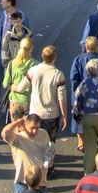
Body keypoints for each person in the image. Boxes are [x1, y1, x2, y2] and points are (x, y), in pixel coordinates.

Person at [0, 0, 31, 116]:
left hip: (15, 53)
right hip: (1, 51)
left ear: (10, 3)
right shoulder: (2, 14)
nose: (1, 3)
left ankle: (12, 107)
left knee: (13, 80)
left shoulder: (21, 16)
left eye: (3, 1)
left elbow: (27, 34)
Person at [26, 45, 67, 177]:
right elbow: (62, 97)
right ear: (54, 58)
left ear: (42, 56)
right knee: (50, 142)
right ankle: (49, 168)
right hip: (51, 114)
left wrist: (13, 88)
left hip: (34, 113)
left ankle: (35, 168)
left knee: (35, 141)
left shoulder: (33, 70)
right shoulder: (58, 74)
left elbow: (22, 86)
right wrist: (64, 115)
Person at [2, 115, 49, 193]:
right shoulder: (17, 138)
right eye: (32, 128)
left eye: (37, 128)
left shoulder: (44, 134)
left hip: (40, 183)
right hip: (22, 183)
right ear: (25, 125)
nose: (34, 131)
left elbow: (48, 150)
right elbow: (5, 133)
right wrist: (17, 122)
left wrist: (50, 160)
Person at [4, 37, 37, 123]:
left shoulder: (12, 63)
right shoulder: (36, 65)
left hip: (14, 101)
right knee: (27, 131)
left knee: (16, 129)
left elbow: (5, 84)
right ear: (31, 48)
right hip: (29, 101)